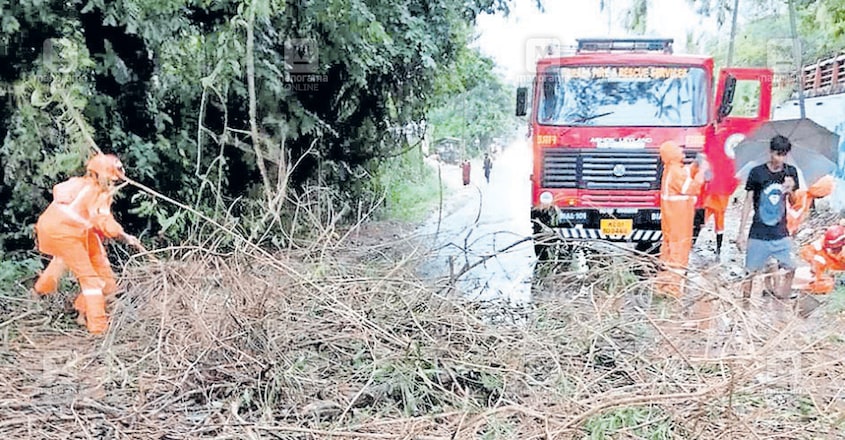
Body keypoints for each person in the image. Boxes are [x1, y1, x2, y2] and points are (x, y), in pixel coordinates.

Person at [33, 153, 141, 334]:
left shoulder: (81, 184)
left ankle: (43, 291)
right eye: (111, 179)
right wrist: (124, 236)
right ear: (102, 176)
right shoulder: (97, 193)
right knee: (90, 279)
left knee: (93, 260)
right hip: (65, 233)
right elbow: (104, 222)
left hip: (61, 228)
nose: (112, 183)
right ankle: (97, 327)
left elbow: (93, 223)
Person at [736, 135, 800, 300]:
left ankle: (782, 301)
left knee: (791, 268)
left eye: (783, 154)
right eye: (777, 154)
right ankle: (743, 308)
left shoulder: (790, 172)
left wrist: (790, 189)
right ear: (770, 152)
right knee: (750, 274)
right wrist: (741, 232)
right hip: (758, 232)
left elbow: (794, 202)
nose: (780, 158)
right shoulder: (757, 172)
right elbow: (748, 202)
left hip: (780, 232)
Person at [655, 141, 709, 298]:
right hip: (679, 223)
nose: (681, 150)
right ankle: (673, 292)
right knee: (678, 258)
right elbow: (691, 188)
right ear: (672, 154)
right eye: (678, 148)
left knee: (667, 254)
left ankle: (662, 288)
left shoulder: (671, 170)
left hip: (672, 223)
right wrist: (702, 172)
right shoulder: (675, 172)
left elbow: (686, 175)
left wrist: (695, 166)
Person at [797, 224, 845, 294]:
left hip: (838, 268)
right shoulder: (821, 244)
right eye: (831, 248)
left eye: (834, 248)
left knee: (828, 285)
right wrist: (812, 262)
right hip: (825, 268)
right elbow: (806, 250)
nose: (832, 250)